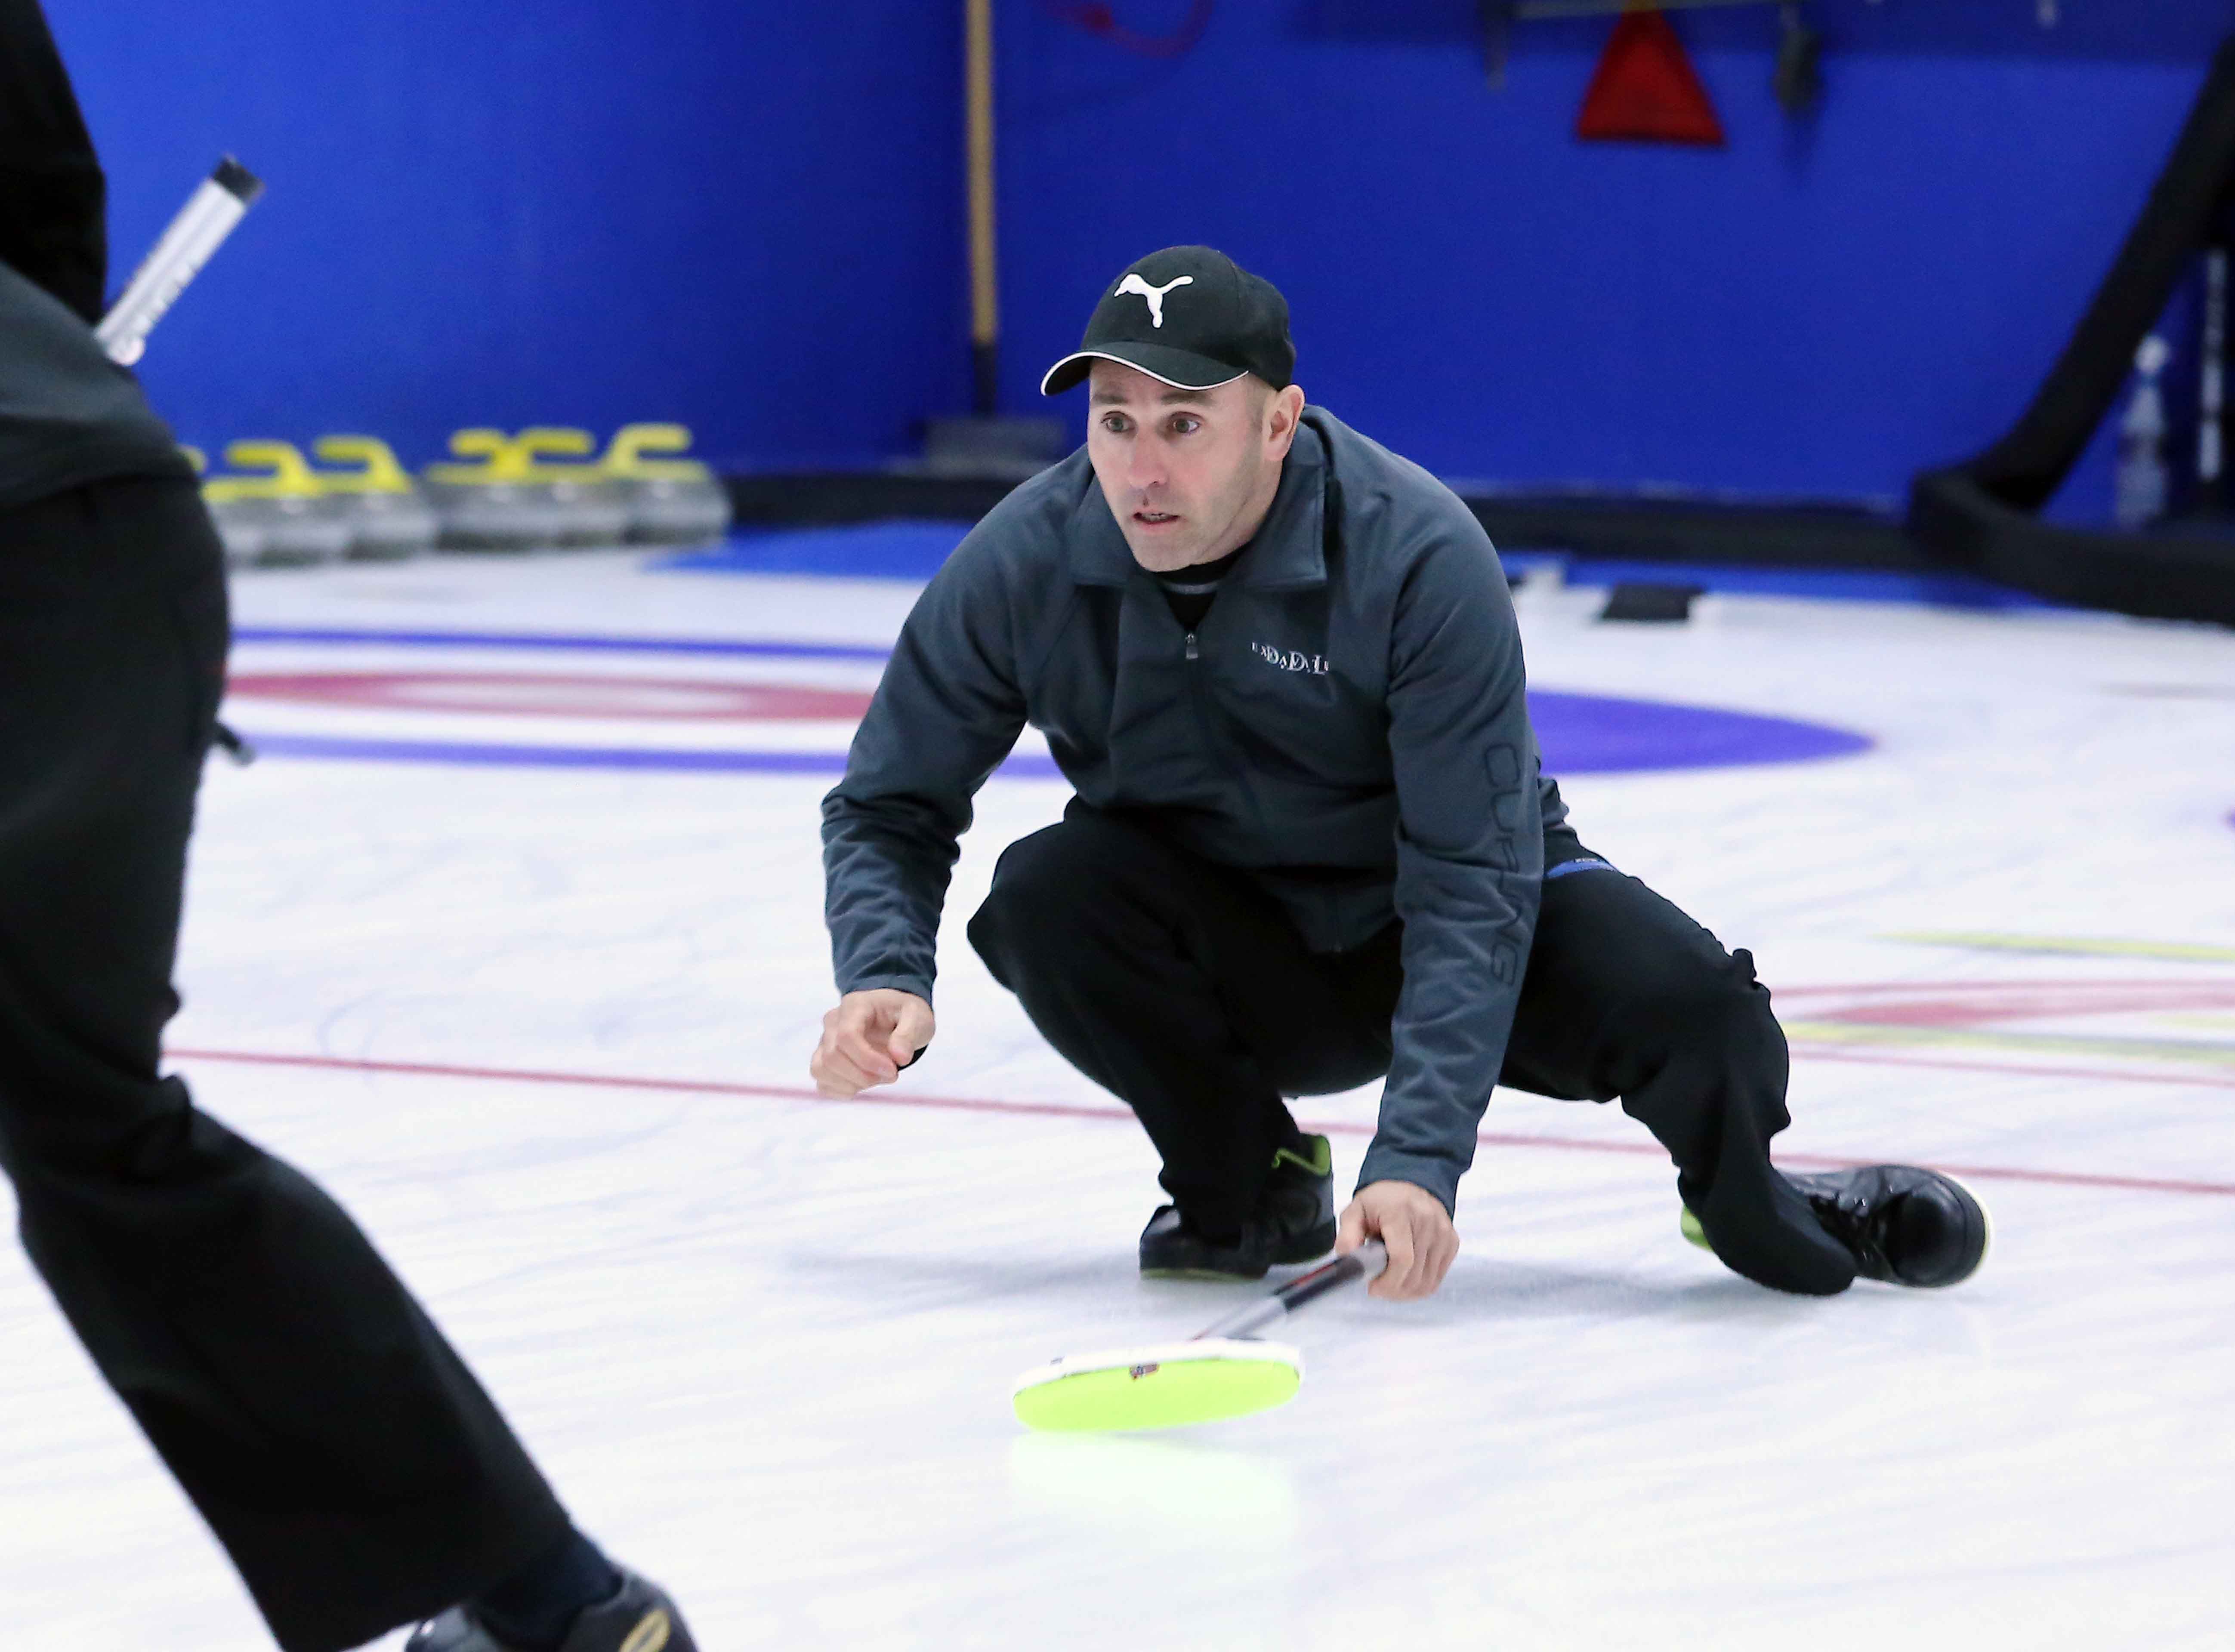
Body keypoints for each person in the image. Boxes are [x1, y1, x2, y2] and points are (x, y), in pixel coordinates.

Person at [814, 245, 1987, 1303]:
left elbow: (1474, 871)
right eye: (1115, 423)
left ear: (1279, 425)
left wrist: (1419, 1159)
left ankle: (1749, 1202)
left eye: (1186, 424)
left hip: (1452, 915)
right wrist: (881, 970)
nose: (1141, 467)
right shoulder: (1027, 557)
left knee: (1701, 1015)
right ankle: (1249, 1180)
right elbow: (888, 803)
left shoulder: (1413, 550)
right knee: (1048, 896)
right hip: (1243, 952)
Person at [0, 6, 695, 1648]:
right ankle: (556, 1607)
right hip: (98, 517)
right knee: (95, 1130)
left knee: (85, 1125)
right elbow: (41, 189)